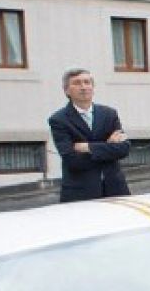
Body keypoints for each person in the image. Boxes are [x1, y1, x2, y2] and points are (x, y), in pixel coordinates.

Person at [47, 68, 130, 203]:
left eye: (87, 82)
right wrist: (108, 147)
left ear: (93, 87)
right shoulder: (59, 120)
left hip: (116, 190)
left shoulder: (109, 114)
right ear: (67, 90)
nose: (83, 87)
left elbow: (124, 149)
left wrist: (88, 147)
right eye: (77, 83)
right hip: (80, 194)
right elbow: (72, 160)